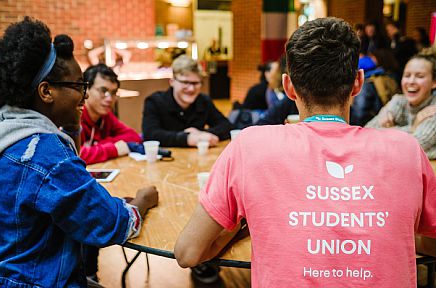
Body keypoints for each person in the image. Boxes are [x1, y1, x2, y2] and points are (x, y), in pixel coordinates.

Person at [174, 17, 436, 287]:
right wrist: (385, 231)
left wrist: (243, 225)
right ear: (358, 82)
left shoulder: (250, 146)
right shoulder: (407, 150)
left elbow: (187, 252)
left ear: (288, 87)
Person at [0, 17, 158, 288]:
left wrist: (71, 130)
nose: (84, 97)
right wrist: (142, 202)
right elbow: (110, 223)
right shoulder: (47, 154)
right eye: (78, 86)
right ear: (46, 91)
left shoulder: (1, 132)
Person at [142, 55, 233, 147]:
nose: (191, 89)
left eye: (195, 83)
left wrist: (200, 134)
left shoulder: (204, 101)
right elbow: (150, 135)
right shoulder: (154, 102)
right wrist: (187, 139)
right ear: (172, 82)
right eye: (185, 82)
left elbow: (227, 126)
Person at [366, 47, 436, 159]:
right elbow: (367, 135)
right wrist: (413, 128)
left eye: (420, 76)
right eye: (407, 75)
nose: (411, 81)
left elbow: (412, 148)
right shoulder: (398, 101)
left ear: (434, 82)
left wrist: (386, 131)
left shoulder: (433, 109)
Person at [80, 64, 142, 165]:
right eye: (103, 91)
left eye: (113, 92)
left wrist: (100, 145)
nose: (109, 99)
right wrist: (113, 149)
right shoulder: (75, 116)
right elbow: (74, 155)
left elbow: (134, 137)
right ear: (86, 90)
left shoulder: (105, 116)